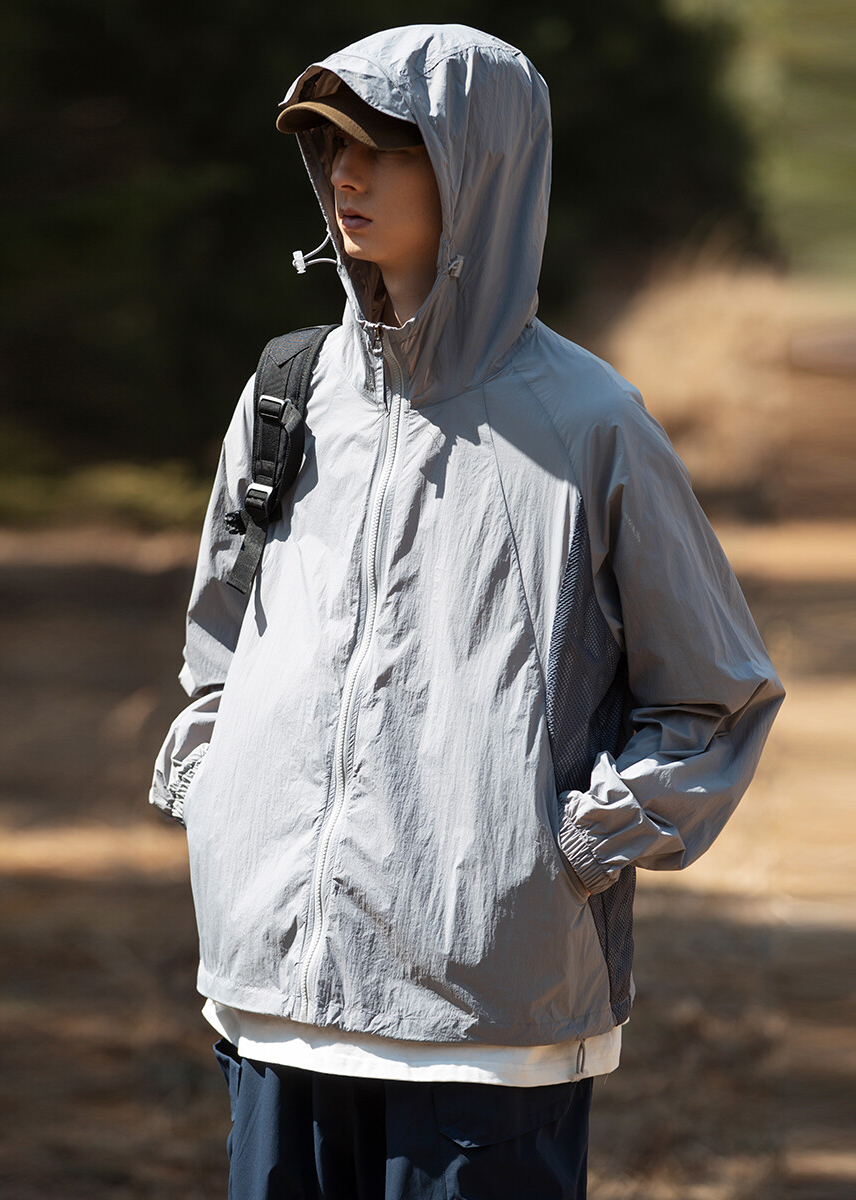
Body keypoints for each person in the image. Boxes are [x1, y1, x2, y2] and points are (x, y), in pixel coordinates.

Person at [151, 23, 784, 1200]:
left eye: (386, 149)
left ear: (476, 168)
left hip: (486, 1031)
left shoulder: (591, 425)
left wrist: (565, 853)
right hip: (270, 998)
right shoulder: (288, 393)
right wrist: (222, 796)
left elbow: (715, 696)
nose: (346, 175)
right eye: (330, 147)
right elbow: (221, 640)